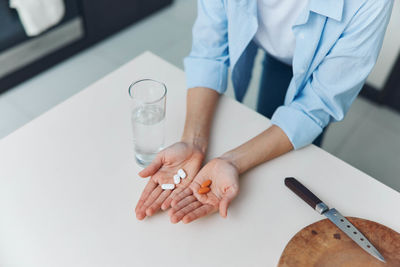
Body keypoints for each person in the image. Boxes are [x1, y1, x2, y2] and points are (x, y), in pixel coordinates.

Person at [135, 0, 393, 223]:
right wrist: (193, 141)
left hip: (318, 62)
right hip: (269, 43)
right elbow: (209, 50)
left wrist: (233, 161)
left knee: (285, 163)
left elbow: (317, 105)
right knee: (266, 124)